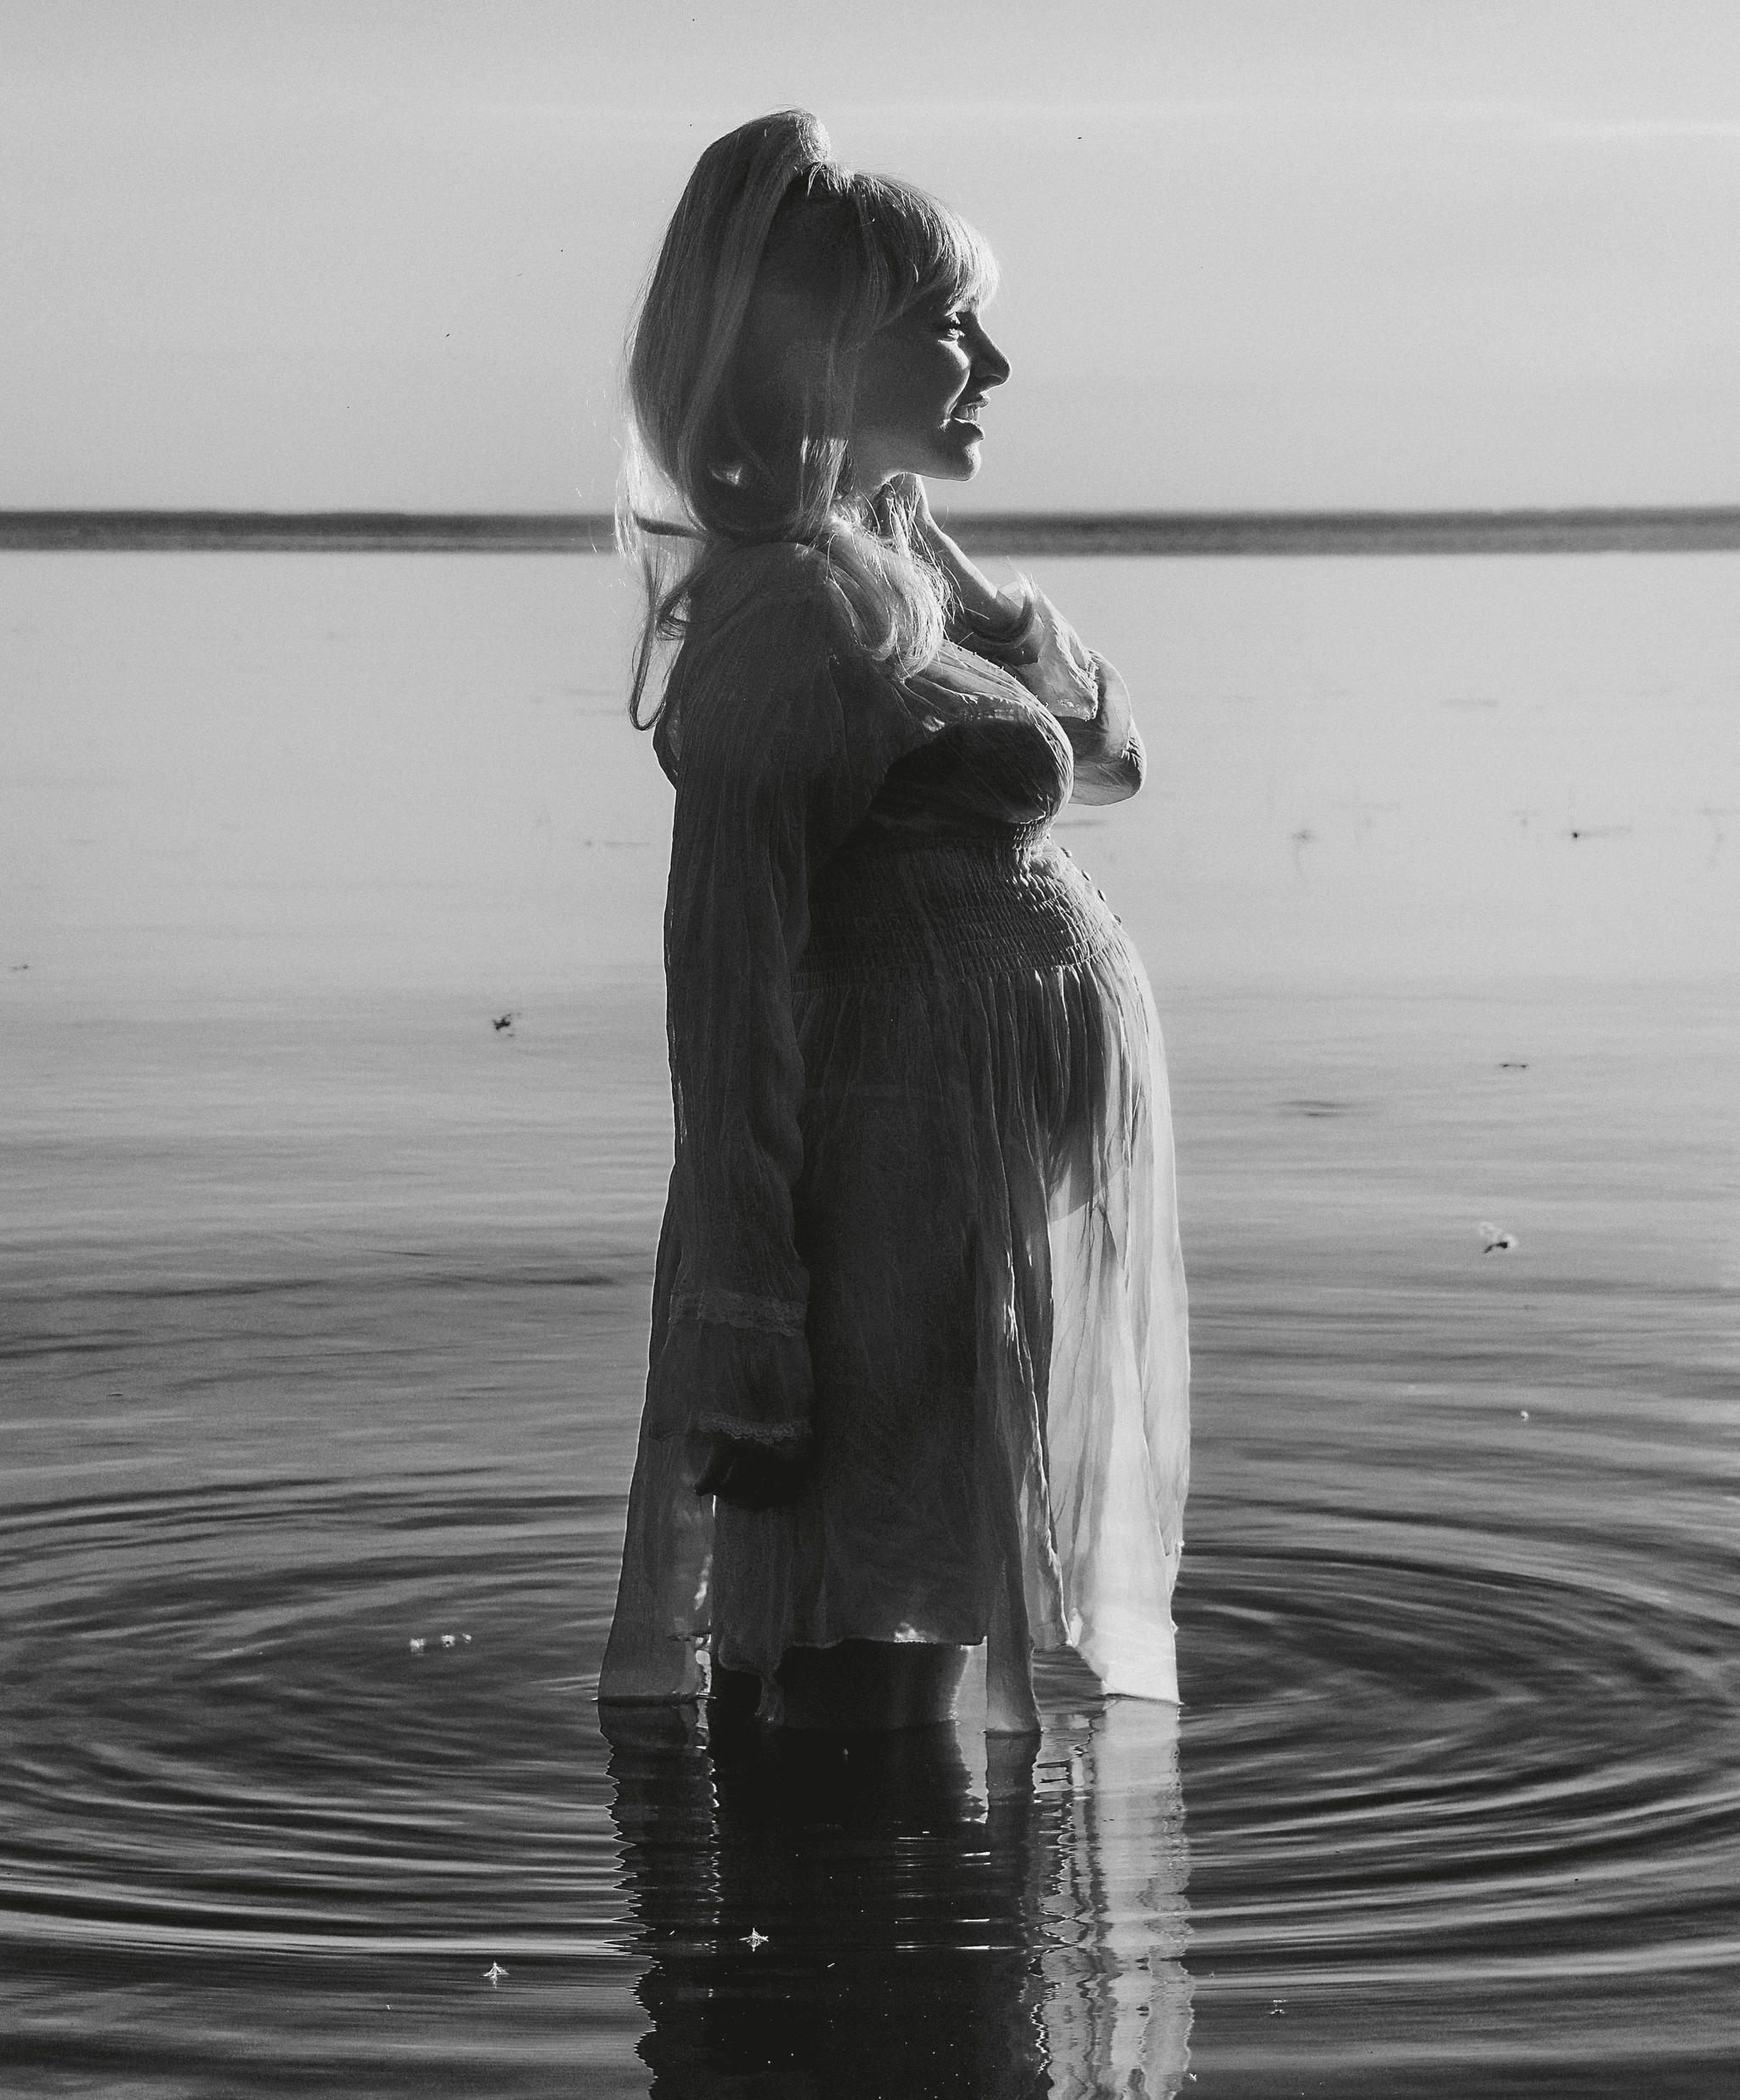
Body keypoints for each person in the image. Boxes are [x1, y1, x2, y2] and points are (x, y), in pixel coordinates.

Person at [597, 110, 1189, 1735]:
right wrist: (749, 1327)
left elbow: (1114, 760)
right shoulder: (788, 621)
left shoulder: (871, 593)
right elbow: (724, 994)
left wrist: (929, 554)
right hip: (879, 1219)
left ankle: (870, 1889)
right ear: (824, 358)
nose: (991, 364)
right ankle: (853, 1890)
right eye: (950, 325)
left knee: (917, 1627)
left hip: (953, 1206)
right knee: (880, 1644)